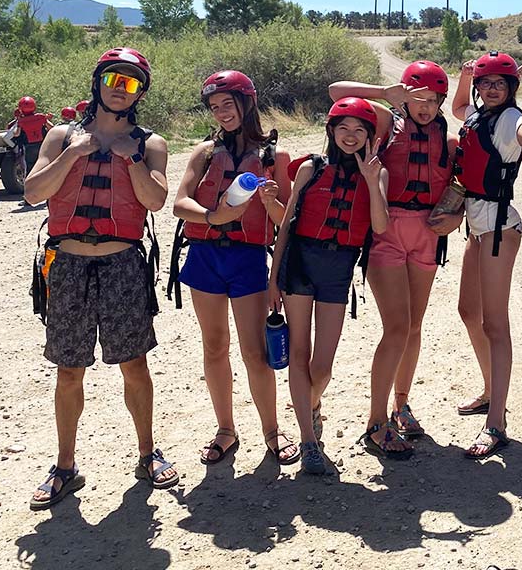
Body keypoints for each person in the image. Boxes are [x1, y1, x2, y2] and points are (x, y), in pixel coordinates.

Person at [23, 47, 178, 509]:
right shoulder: (61, 136)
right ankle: (65, 466)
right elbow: (33, 192)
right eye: (113, 78)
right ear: (98, 82)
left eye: (130, 82)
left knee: (134, 364)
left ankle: (148, 453)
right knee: (69, 370)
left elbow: (154, 201)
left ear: (139, 93)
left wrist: (131, 161)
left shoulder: (150, 144)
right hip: (68, 265)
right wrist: (72, 155)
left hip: (122, 266)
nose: (119, 87)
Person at [328, 62, 463, 460]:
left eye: (433, 100)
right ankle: (375, 421)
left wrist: (454, 219)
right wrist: (385, 93)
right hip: (387, 230)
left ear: (441, 102)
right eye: (418, 98)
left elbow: (460, 188)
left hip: (428, 233)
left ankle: (401, 405)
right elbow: (337, 91)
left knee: (414, 326)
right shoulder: (388, 122)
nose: (424, 106)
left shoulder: (449, 140)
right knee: (397, 327)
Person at [171, 71, 299, 467]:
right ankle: (226, 429)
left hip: (247, 260)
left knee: (255, 352)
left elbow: (285, 222)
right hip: (205, 256)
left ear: (247, 103)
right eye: (215, 107)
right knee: (214, 347)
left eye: (229, 104)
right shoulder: (204, 152)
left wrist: (273, 199)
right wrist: (216, 216)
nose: (222, 113)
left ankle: (272, 431)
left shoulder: (275, 158)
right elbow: (179, 204)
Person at [267, 97, 388, 474]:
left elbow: (380, 227)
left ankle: (311, 403)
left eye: (359, 131)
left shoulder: (376, 173)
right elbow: (286, 225)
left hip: (338, 268)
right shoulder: (311, 169)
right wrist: (273, 279)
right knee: (299, 353)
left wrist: (370, 180)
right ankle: (308, 441)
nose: (350, 137)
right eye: (343, 129)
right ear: (331, 132)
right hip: (300, 262)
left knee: (322, 367)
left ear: (369, 136)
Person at [451, 51, 522, 459]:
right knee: (468, 311)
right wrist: (462, 75)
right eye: (485, 83)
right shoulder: (479, 115)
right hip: (478, 226)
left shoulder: (509, 119)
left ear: (511, 90)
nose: (490, 90)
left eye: (499, 84)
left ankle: (497, 423)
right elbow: (457, 108)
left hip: (499, 228)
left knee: (494, 323)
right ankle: (491, 392)